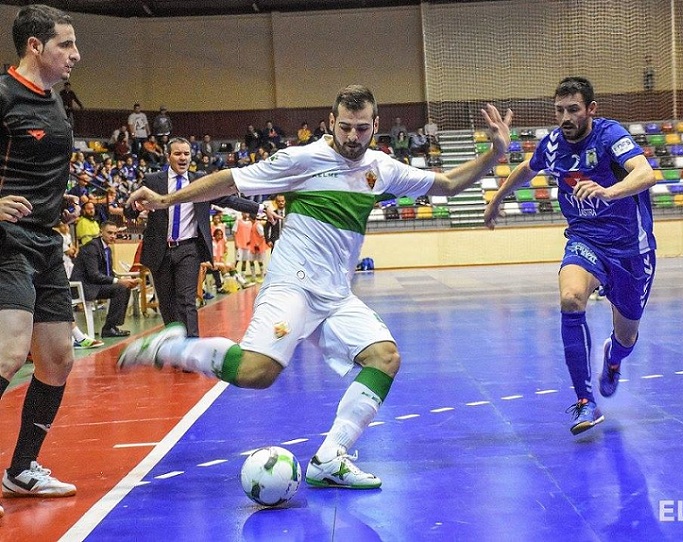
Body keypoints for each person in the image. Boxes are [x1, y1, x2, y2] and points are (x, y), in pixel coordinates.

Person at [118, 84, 512, 489]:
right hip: (293, 285)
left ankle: (330, 458)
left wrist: (495, 155)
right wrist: (168, 201)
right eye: (345, 127)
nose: (353, 137)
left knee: (385, 358)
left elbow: (446, 184)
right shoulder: (302, 159)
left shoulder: (382, 168)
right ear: (331, 123)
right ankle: (175, 347)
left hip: (336, 294)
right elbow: (230, 181)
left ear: (375, 126)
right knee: (258, 373)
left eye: (362, 128)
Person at [483, 76, 656, 436]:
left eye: (573, 109)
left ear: (590, 110)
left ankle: (613, 360)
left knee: (626, 337)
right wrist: (498, 198)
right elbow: (526, 170)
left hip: (630, 249)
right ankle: (585, 401)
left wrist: (610, 192)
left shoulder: (610, 136)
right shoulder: (553, 144)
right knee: (571, 298)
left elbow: (646, 173)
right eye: (559, 110)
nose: (565, 117)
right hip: (585, 239)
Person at [0, 4, 82, 515]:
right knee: (9, 351)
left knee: (57, 360)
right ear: (36, 46)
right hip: (6, 240)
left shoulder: (55, 103)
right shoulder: (3, 94)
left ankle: (21, 470)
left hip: (48, 240)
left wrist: (62, 200)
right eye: (65, 45)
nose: (75, 55)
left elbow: (40, 167)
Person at [123, 137, 265, 338]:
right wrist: (134, 209)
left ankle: (191, 347)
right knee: (167, 302)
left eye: (186, 153)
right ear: (168, 156)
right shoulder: (153, 181)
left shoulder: (200, 180)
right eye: (177, 153)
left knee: (186, 300)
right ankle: (174, 344)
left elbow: (227, 199)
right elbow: (130, 210)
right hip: (160, 249)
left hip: (188, 249)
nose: (183, 158)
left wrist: (259, 208)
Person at [69, 221, 139, 337]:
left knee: (124, 287)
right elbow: (93, 275)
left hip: (96, 285)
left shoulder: (107, 249)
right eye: (110, 233)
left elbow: (109, 273)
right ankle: (109, 328)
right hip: (84, 286)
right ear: (101, 232)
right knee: (120, 288)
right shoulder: (92, 247)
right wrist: (118, 281)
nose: (113, 236)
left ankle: (112, 326)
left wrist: (124, 280)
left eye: (115, 233)